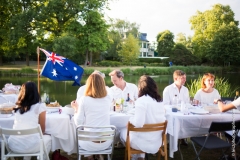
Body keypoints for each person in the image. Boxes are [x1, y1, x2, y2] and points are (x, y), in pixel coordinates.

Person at [120, 75, 166, 160]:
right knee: (139, 133)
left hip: (143, 142)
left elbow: (138, 123)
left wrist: (130, 121)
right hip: (157, 141)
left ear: (141, 88)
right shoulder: (159, 100)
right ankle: (141, 157)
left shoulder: (141, 101)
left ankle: (135, 157)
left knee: (122, 131)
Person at [71, 74, 112, 160]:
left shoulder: (84, 99)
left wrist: (76, 109)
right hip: (106, 142)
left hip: (89, 143)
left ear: (88, 84)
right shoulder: (108, 98)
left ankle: (90, 157)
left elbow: (79, 122)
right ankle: (97, 155)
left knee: (81, 129)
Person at [8, 81, 51, 160]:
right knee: (49, 138)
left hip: (14, 145)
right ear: (35, 92)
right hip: (31, 146)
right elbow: (42, 130)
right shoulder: (40, 106)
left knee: (30, 137)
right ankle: (41, 158)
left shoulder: (18, 107)